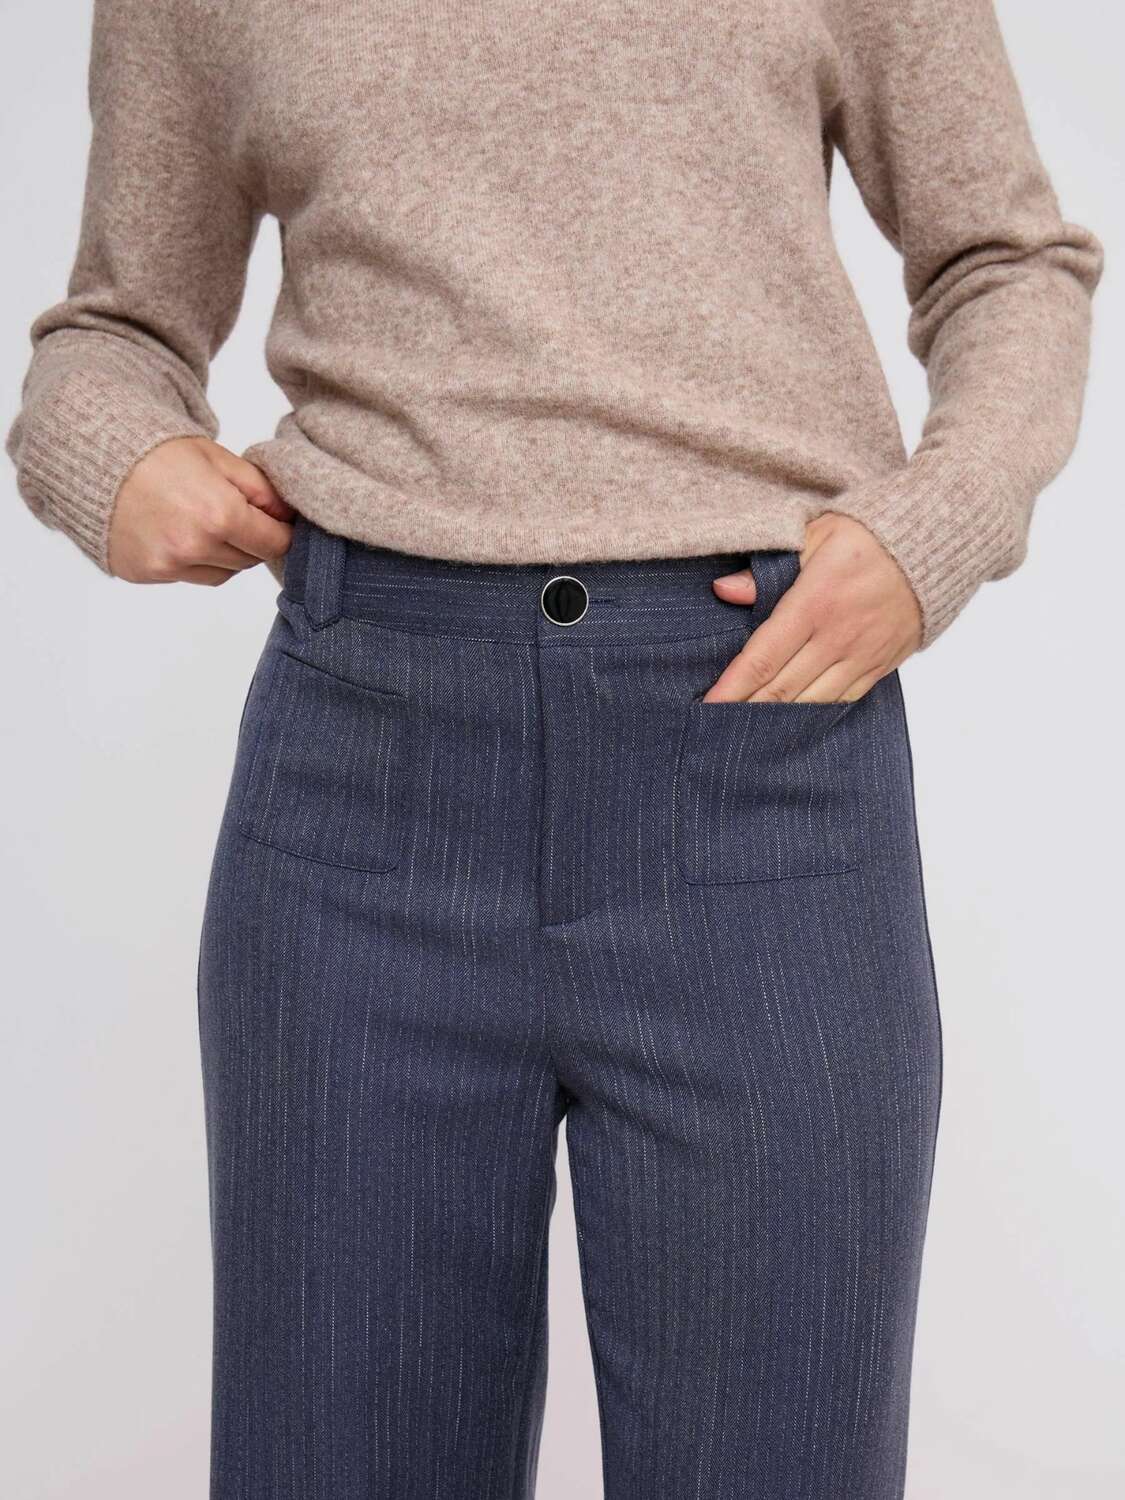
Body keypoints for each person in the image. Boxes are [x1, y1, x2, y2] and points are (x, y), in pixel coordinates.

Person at [6, 2, 1102, 1497]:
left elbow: (1006, 258)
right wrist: (114, 453)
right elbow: (116, 329)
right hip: (364, 779)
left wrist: (941, 525)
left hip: (759, 760)